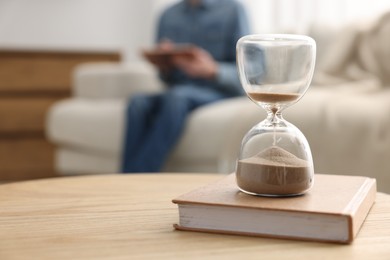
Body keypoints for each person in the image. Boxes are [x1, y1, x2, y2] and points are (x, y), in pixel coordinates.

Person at [122, 0, 250, 172]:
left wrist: (213, 70)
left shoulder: (233, 10)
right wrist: (164, 63)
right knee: (137, 102)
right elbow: (165, 78)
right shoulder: (167, 15)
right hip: (177, 90)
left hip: (217, 90)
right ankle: (126, 176)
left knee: (177, 96)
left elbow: (247, 71)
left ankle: (136, 176)